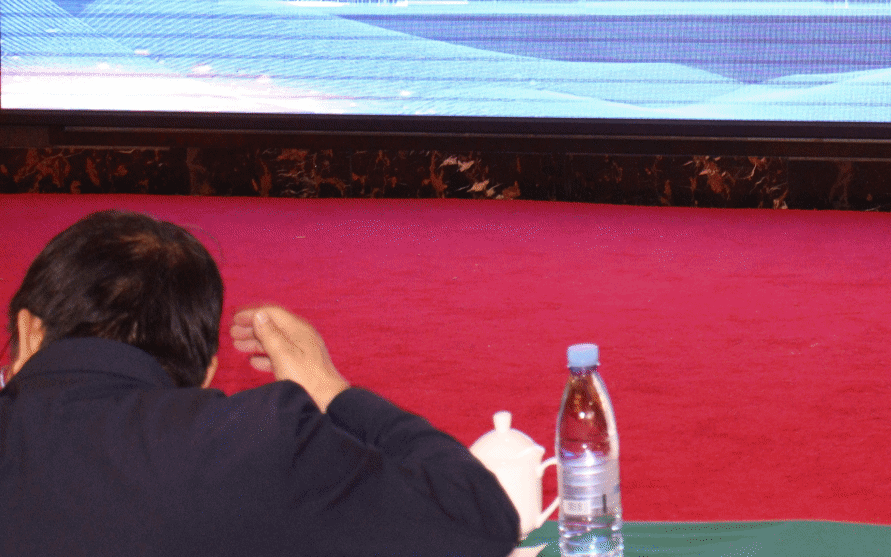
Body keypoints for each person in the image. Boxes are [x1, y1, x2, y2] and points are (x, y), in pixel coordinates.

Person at [0, 209, 519, 557]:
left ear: (28, 332)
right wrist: (329, 391)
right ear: (206, 372)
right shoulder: (252, 441)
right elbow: (479, 520)